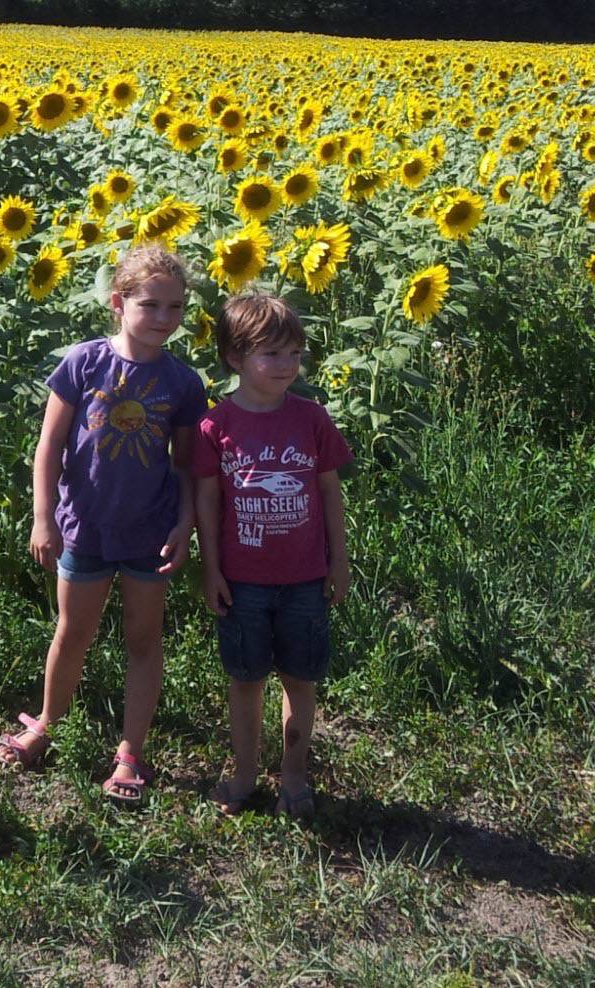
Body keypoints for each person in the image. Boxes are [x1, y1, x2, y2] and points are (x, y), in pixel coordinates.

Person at [0, 244, 207, 799]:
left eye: (176, 307)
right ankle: (45, 725)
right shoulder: (84, 362)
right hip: (84, 524)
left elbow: (186, 465)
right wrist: (43, 518)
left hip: (148, 529)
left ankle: (130, 754)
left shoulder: (183, 383)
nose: (164, 319)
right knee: (73, 632)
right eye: (151, 305)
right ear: (118, 302)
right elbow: (49, 447)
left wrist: (185, 525)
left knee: (143, 639)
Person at [193, 290, 351, 819]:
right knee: (245, 678)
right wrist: (211, 568)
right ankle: (242, 771)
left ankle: (293, 772)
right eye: (272, 354)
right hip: (243, 581)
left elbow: (329, 491)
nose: (287, 365)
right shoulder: (217, 427)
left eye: (294, 353)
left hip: (306, 576)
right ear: (235, 358)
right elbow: (207, 504)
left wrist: (340, 559)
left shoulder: (311, 418)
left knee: (300, 678)